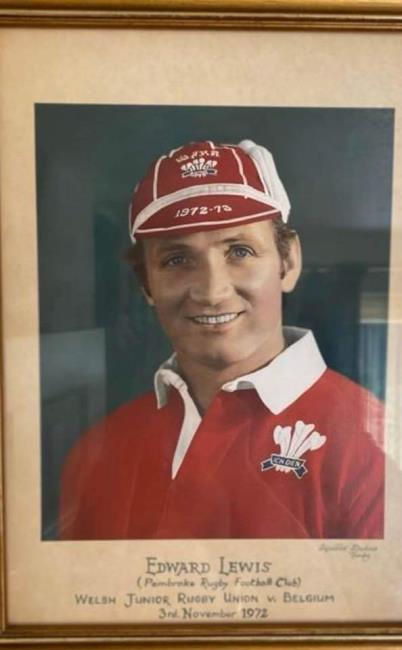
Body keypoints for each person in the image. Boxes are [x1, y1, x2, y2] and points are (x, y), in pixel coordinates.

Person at [59, 139, 384, 540]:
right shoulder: (98, 453)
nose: (212, 291)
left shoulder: (376, 449)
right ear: (146, 283)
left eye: (240, 251)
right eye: (177, 260)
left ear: (289, 261)